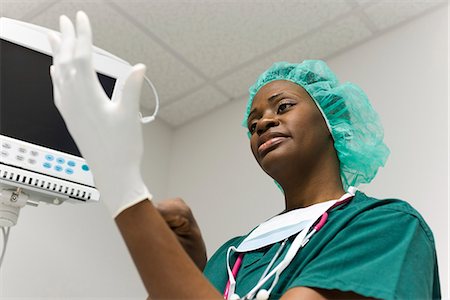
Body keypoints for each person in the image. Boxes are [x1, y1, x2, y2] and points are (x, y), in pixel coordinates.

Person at [48, 11, 441, 299]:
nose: (264, 123)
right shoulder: (232, 255)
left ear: (333, 123)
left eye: (283, 106)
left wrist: (122, 187)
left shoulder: (383, 228)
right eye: (253, 124)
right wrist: (190, 267)